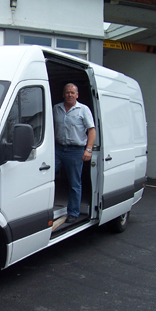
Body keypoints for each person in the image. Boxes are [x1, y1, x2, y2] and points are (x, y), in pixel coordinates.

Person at [54, 83, 96, 224]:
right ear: (63, 94)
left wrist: (88, 149)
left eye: (72, 92)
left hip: (75, 150)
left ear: (77, 95)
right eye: (67, 92)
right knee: (45, 176)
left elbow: (91, 130)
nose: (70, 95)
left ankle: (73, 212)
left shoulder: (83, 110)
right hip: (58, 149)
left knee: (74, 183)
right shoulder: (56, 109)